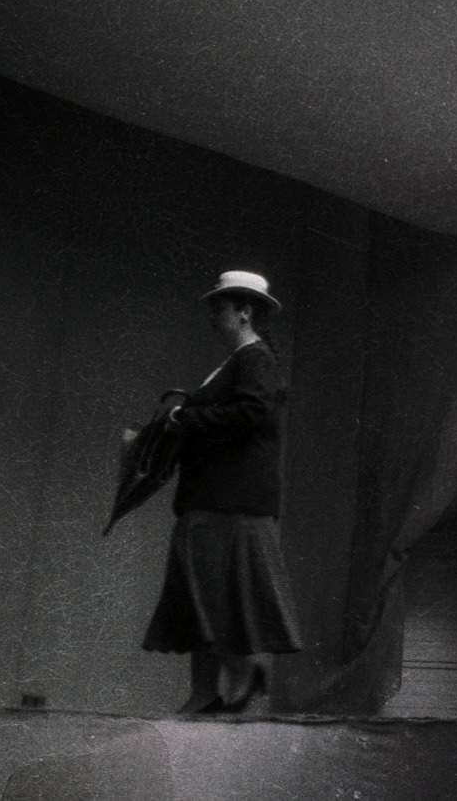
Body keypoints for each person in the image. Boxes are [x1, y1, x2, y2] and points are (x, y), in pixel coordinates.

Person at [142, 270, 303, 714]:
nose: (214, 315)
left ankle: (241, 673)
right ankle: (207, 690)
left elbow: (250, 412)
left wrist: (185, 421)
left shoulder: (255, 360)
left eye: (221, 307)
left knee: (219, 595)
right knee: (203, 596)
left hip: (229, 503)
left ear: (245, 312)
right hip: (210, 500)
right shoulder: (238, 362)